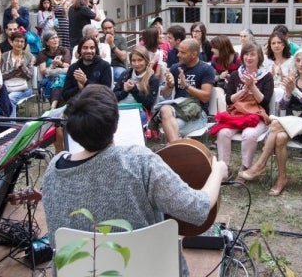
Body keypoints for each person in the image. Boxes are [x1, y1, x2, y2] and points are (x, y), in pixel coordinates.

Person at [42, 84, 227, 277]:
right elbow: (197, 209)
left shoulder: (53, 170)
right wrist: (217, 171)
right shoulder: (139, 161)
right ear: (115, 122)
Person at [240, 47, 302, 195]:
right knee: (279, 137)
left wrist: (295, 91)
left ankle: (260, 165)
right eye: (298, 60)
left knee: (275, 124)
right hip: (290, 124)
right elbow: (281, 105)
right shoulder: (294, 79)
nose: (301, 64)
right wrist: (287, 93)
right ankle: (282, 178)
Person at [214, 43, 274, 177]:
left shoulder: (266, 76)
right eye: (246, 54)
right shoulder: (236, 75)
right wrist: (243, 91)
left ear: (259, 57)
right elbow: (229, 100)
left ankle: (246, 168)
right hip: (237, 113)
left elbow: (264, 102)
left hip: (256, 115)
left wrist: (253, 87)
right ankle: (224, 168)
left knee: (249, 134)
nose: (249, 57)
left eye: (252, 54)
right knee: (223, 132)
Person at [154, 38, 215, 142]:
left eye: (182, 52)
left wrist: (186, 86)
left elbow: (205, 97)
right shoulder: (175, 68)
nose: (178, 55)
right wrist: (169, 85)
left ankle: (173, 148)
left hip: (198, 114)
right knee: (164, 110)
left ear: (194, 54)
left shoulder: (206, 69)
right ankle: (177, 148)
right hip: (179, 109)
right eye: (178, 51)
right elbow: (165, 95)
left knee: (169, 126)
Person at [113, 46, 160, 126]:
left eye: (140, 60)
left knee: (137, 119)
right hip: (120, 108)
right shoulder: (126, 74)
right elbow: (113, 96)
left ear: (146, 60)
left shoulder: (153, 79)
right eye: (133, 61)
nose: (136, 64)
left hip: (139, 110)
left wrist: (134, 90)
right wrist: (125, 91)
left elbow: (148, 104)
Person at [62, 35, 112, 102]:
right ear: (80, 50)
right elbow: (65, 95)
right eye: (85, 48)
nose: (89, 51)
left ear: (96, 50)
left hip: (98, 105)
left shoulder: (104, 66)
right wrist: (79, 88)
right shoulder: (73, 68)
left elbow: (106, 93)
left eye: (92, 48)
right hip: (76, 104)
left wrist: (86, 82)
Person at [0, 31, 34, 118]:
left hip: (24, 88)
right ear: (12, 42)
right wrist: (15, 70)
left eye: (22, 41)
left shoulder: (29, 56)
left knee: (10, 98)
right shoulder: (5, 56)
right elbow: (2, 75)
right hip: (7, 87)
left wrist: (22, 67)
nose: (19, 44)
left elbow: (30, 75)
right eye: (17, 41)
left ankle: (11, 123)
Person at [35, 30, 71, 109]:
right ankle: (56, 108)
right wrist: (52, 66)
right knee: (58, 79)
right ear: (47, 42)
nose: (55, 40)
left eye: (56, 37)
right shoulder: (42, 53)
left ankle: (53, 107)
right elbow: (43, 71)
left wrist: (60, 63)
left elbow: (68, 66)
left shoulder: (64, 50)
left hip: (65, 77)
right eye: (52, 38)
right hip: (49, 79)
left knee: (60, 78)